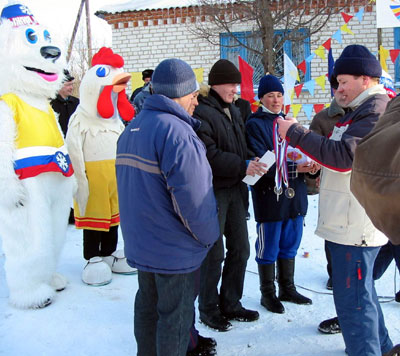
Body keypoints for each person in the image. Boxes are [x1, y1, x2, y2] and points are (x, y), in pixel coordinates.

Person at [277, 44, 397, 356]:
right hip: (347, 220)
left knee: (353, 303)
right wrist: (317, 163)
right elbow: (344, 160)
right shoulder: (358, 111)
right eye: (337, 82)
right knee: (362, 294)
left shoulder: (374, 111)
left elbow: (345, 159)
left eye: (344, 81)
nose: (338, 88)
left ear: (366, 79)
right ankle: (381, 348)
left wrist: (296, 133)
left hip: (354, 225)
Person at [116, 58, 220, 356]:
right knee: (174, 319)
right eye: (193, 96)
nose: (196, 102)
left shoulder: (132, 129)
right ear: (182, 94)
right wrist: (208, 237)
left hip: (144, 243)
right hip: (175, 251)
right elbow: (194, 200)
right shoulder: (178, 134)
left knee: (148, 310)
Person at [193, 59, 267, 332]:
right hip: (213, 193)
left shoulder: (235, 110)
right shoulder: (202, 112)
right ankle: (208, 308)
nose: (236, 89)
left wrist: (253, 159)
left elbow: (241, 145)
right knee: (214, 254)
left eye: (237, 84)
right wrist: (242, 165)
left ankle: (231, 302)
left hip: (236, 189)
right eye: (231, 84)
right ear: (216, 84)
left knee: (241, 249)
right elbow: (208, 155)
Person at [246, 74, 316, 314]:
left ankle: (288, 287)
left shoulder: (290, 121)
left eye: (278, 95)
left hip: (294, 194)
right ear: (261, 98)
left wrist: (311, 164)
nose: (276, 100)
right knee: (269, 246)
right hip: (270, 195)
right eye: (270, 96)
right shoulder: (254, 124)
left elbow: (300, 151)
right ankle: (268, 293)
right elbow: (262, 162)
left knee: (291, 243)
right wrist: (297, 167)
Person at [309, 75, 346, 290]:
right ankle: (334, 273)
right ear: (333, 90)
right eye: (337, 88)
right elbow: (311, 152)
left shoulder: (361, 116)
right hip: (331, 186)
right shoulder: (322, 118)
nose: (342, 92)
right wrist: (314, 171)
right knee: (331, 230)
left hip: (357, 184)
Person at [50, 69, 79, 137]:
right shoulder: (51, 103)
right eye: (68, 85)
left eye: (72, 84)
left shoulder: (77, 103)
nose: (71, 88)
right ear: (59, 85)